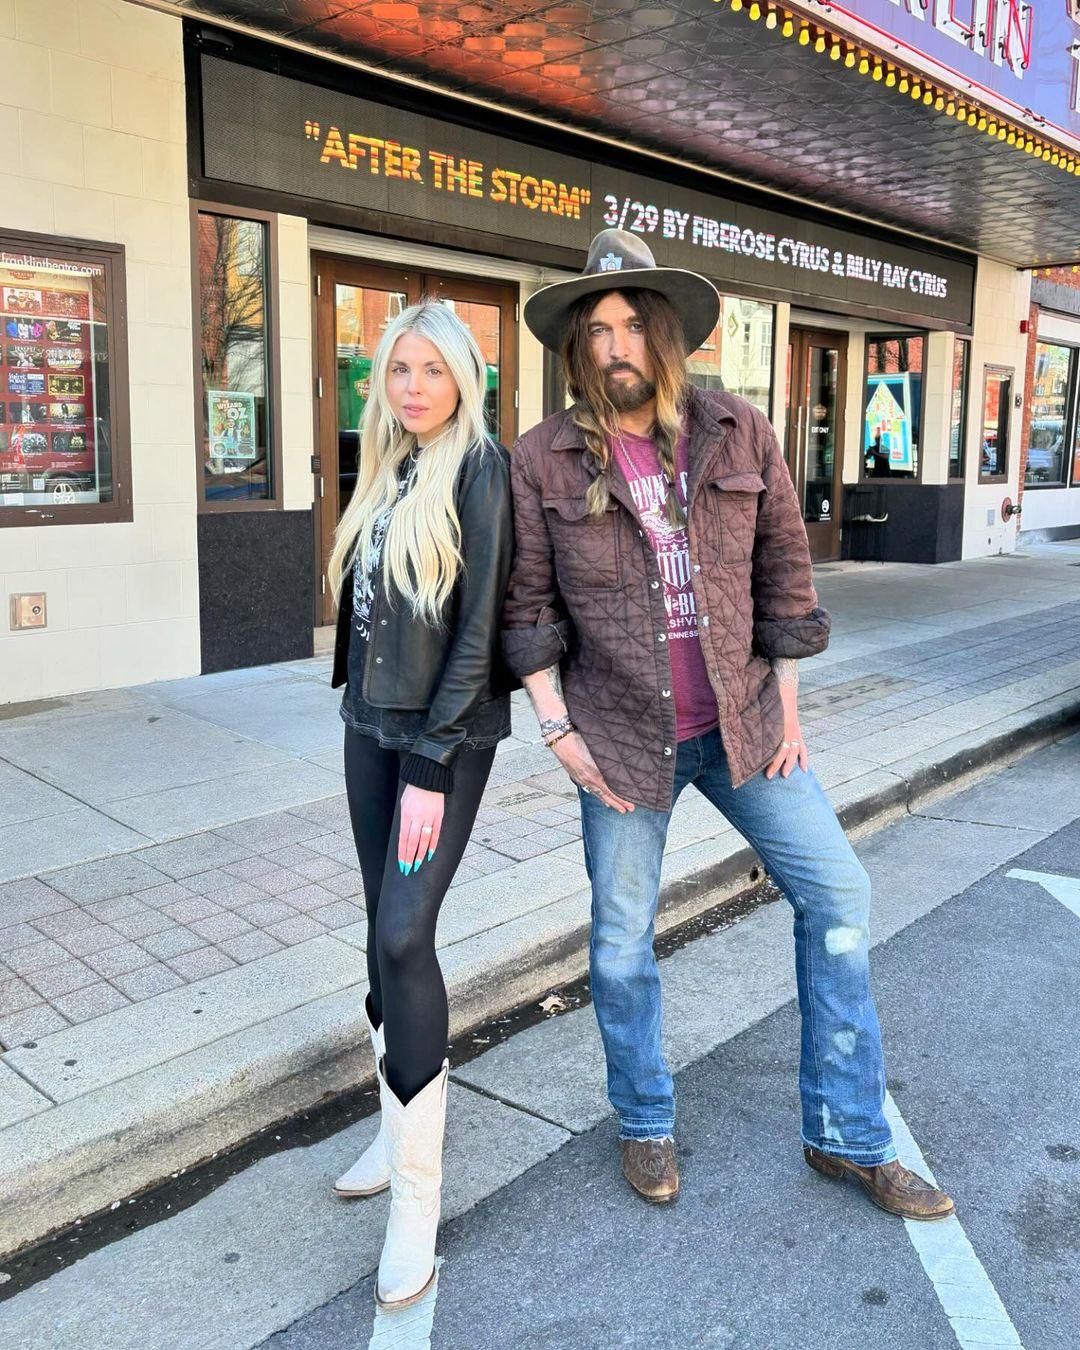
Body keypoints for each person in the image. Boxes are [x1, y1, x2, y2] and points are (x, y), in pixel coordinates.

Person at [501, 228, 953, 1221]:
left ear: (667, 337)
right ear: (577, 348)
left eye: (631, 325)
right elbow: (525, 605)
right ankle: (645, 1121)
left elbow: (785, 571)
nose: (613, 344)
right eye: (595, 329)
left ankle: (848, 1136)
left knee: (839, 895)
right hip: (619, 737)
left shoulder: (739, 432)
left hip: (747, 726)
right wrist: (555, 729)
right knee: (621, 942)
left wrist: (788, 707)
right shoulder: (541, 459)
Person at [327, 299, 515, 1306]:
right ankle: (389, 1128)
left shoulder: (481, 471)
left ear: (463, 379)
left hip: (442, 742)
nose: (410, 388)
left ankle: (417, 1200)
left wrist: (436, 764)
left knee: (406, 936)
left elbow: (479, 628)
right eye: (396, 370)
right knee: (374, 934)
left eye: (430, 371)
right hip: (370, 727)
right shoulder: (389, 464)